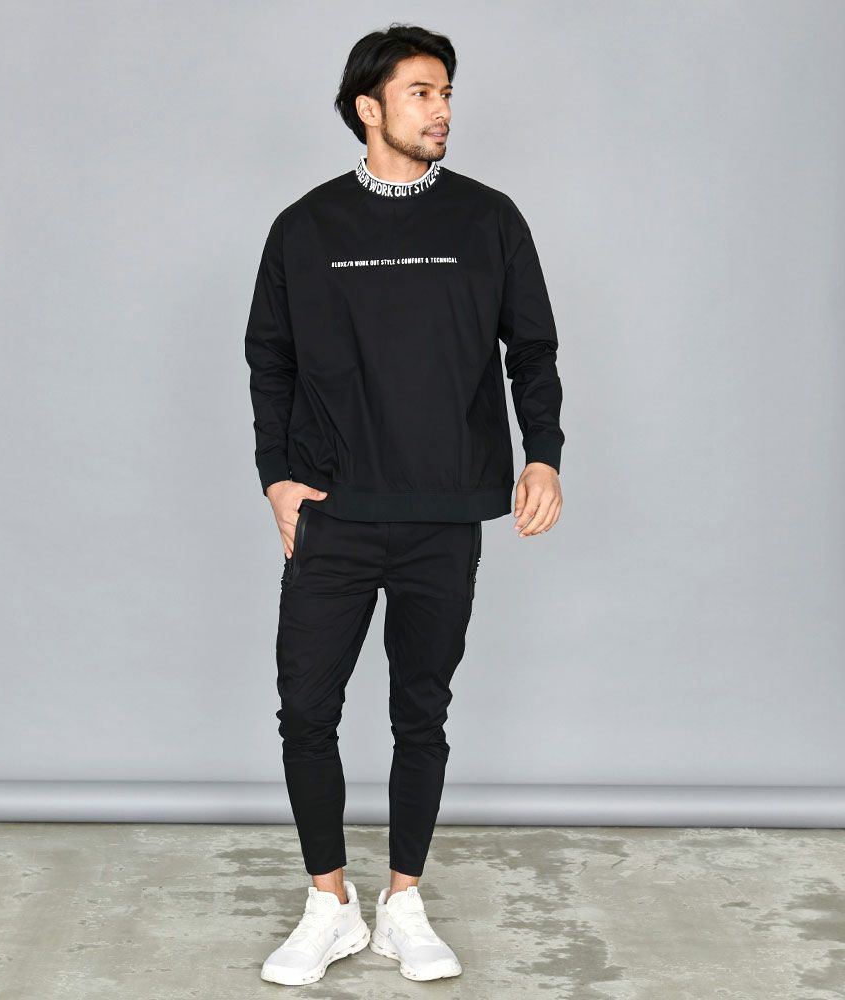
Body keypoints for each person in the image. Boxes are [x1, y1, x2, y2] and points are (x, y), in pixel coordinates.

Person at [244, 22, 565, 986]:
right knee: (307, 711)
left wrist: (543, 457)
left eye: (447, 92)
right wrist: (275, 475)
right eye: (422, 92)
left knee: (420, 714)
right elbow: (270, 360)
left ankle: (403, 905)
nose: (442, 110)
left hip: (443, 512)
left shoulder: (488, 219)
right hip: (335, 512)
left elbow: (533, 349)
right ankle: (329, 905)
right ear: (368, 108)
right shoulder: (305, 228)